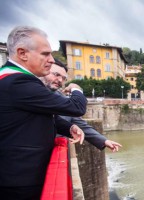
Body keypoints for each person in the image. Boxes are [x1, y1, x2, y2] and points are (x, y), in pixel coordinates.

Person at [0, 26, 87, 199]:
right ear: (22, 53)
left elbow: (36, 117)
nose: (51, 59)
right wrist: (77, 89)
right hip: (20, 180)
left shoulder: (11, 78)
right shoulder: (19, 82)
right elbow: (76, 107)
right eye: (45, 54)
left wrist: (68, 128)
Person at [40, 58, 122, 152]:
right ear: (44, 71)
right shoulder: (33, 91)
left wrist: (104, 141)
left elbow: (81, 125)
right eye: (56, 74)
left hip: (52, 153)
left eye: (63, 78)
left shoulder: (61, 97)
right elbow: (78, 108)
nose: (60, 80)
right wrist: (76, 88)